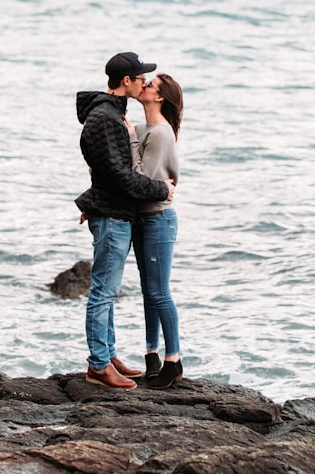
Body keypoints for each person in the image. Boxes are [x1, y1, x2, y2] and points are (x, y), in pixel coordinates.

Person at [75, 52, 175, 390]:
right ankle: (98, 365)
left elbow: (105, 171)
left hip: (116, 212)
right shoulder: (104, 118)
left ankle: (108, 355)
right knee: (103, 291)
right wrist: (160, 189)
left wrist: (94, 198)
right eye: (140, 77)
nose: (145, 82)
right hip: (113, 215)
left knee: (109, 290)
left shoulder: (114, 115)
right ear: (126, 82)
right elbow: (118, 175)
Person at [130, 73, 184, 389]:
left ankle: (173, 360)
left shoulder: (160, 133)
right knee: (148, 291)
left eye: (150, 85)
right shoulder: (142, 129)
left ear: (160, 97)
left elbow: (141, 179)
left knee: (159, 291)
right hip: (142, 220)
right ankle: (151, 355)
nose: (144, 86)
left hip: (158, 220)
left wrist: (131, 138)